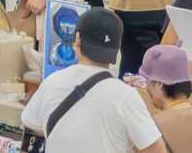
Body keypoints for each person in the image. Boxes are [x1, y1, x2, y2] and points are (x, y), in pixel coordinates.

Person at [19, 9, 164, 153]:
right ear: (118, 45)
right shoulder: (125, 96)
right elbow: (156, 149)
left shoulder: (51, 82)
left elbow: (30, 134)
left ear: (77, 39)